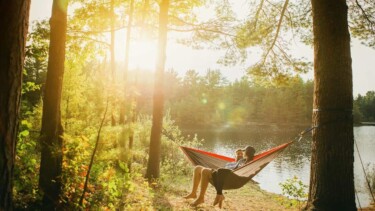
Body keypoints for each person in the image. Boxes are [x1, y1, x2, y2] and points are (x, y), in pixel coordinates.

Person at [183, 146, 256, 208]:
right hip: (220, 176)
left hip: (230, 179)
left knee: (207, 171)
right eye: (238, 154)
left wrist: (247, 157)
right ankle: (193, 193)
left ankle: (202, 198)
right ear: (235, 156)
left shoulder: (245, 162)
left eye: (242, 153)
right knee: (198, 168)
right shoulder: (232, 163)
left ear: (246, 153)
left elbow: (246, 163)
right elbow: (224, 169)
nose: (240, 154)